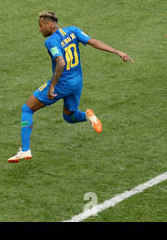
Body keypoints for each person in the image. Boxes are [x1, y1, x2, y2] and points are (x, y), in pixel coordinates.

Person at [8, 11, 134, 163]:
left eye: (40, 26)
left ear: (49, 24)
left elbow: (60, 62)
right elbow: (92, 41)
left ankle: (25, 150)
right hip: (77, 81)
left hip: (63, 83)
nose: (39, 29)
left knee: (27, 109)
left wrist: (52, 86)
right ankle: (87, 116)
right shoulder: (73, 30)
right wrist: (117, 51)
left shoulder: (51, 42)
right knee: (69, 116)